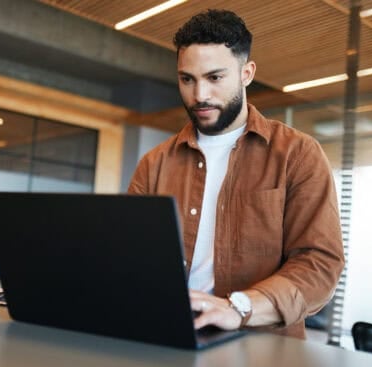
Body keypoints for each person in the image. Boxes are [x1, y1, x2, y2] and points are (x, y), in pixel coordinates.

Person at [127, 9, 344, 339]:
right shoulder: (154, 163)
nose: (200, 95)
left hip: (262, 348)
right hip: (169, 339)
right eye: (187, 79)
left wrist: (239, 307)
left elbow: (319, 264)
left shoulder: (298, 154)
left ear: (246, 73)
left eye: (214, 78)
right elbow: (132, 259)